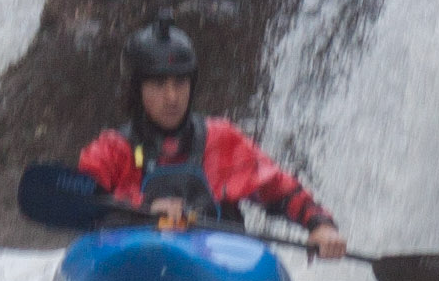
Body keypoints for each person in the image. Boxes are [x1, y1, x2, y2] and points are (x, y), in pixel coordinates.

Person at [78, 20, 344, 258]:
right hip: (134, 264)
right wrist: (144, 209)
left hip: (213, 267)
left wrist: (320, 225)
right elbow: (79, 205)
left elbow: (281, 190)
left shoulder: (221, 140)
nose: (172, 97)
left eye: (180, 83)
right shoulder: (110, 150)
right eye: (159, 84)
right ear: (137, 90)